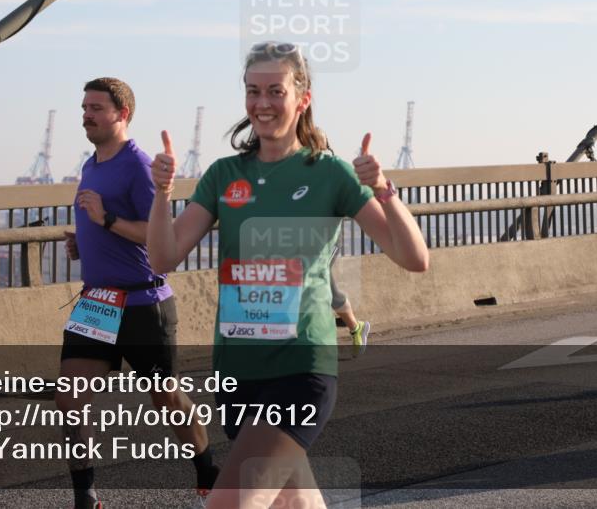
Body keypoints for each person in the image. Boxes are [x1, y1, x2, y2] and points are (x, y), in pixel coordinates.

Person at [147, 43, 428, 508]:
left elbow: (414, 258)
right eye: (253, 91)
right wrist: (161, 194)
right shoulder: (223, 175)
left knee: (232, 503)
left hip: (301, 368)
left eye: (275, 91)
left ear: (303, 98)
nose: (262, 103)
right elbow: (163, 258)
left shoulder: (330, 173)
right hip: (237, 371)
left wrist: (382, 191)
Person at [56, 77, 218, 509]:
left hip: (143, 300)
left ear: (121, 114)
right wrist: (83, 239)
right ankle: (85, 495)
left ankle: (207, 471)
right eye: (84, 106)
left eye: (96, 108)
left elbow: (157, 234)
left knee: (165, 395)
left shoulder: (138, 165)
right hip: (97, 301)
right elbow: (104, 222)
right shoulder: (92, 164)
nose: (86, 114)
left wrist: (105, 220)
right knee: (70, 395)